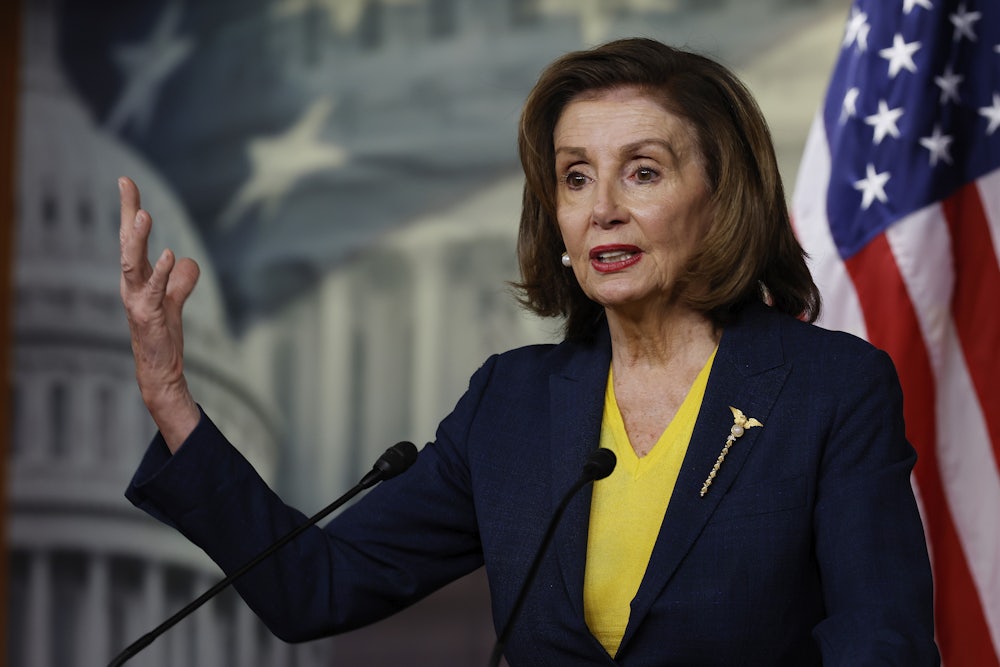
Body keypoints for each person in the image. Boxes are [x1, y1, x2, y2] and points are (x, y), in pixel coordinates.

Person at [120, 38, 940, 665]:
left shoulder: (830, 389)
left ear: (722, 197)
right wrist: (171, 399)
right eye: (575, 177)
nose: (602, 209)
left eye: (643, 172)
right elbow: (314, 585)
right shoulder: (508, 404)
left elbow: (883, 647)